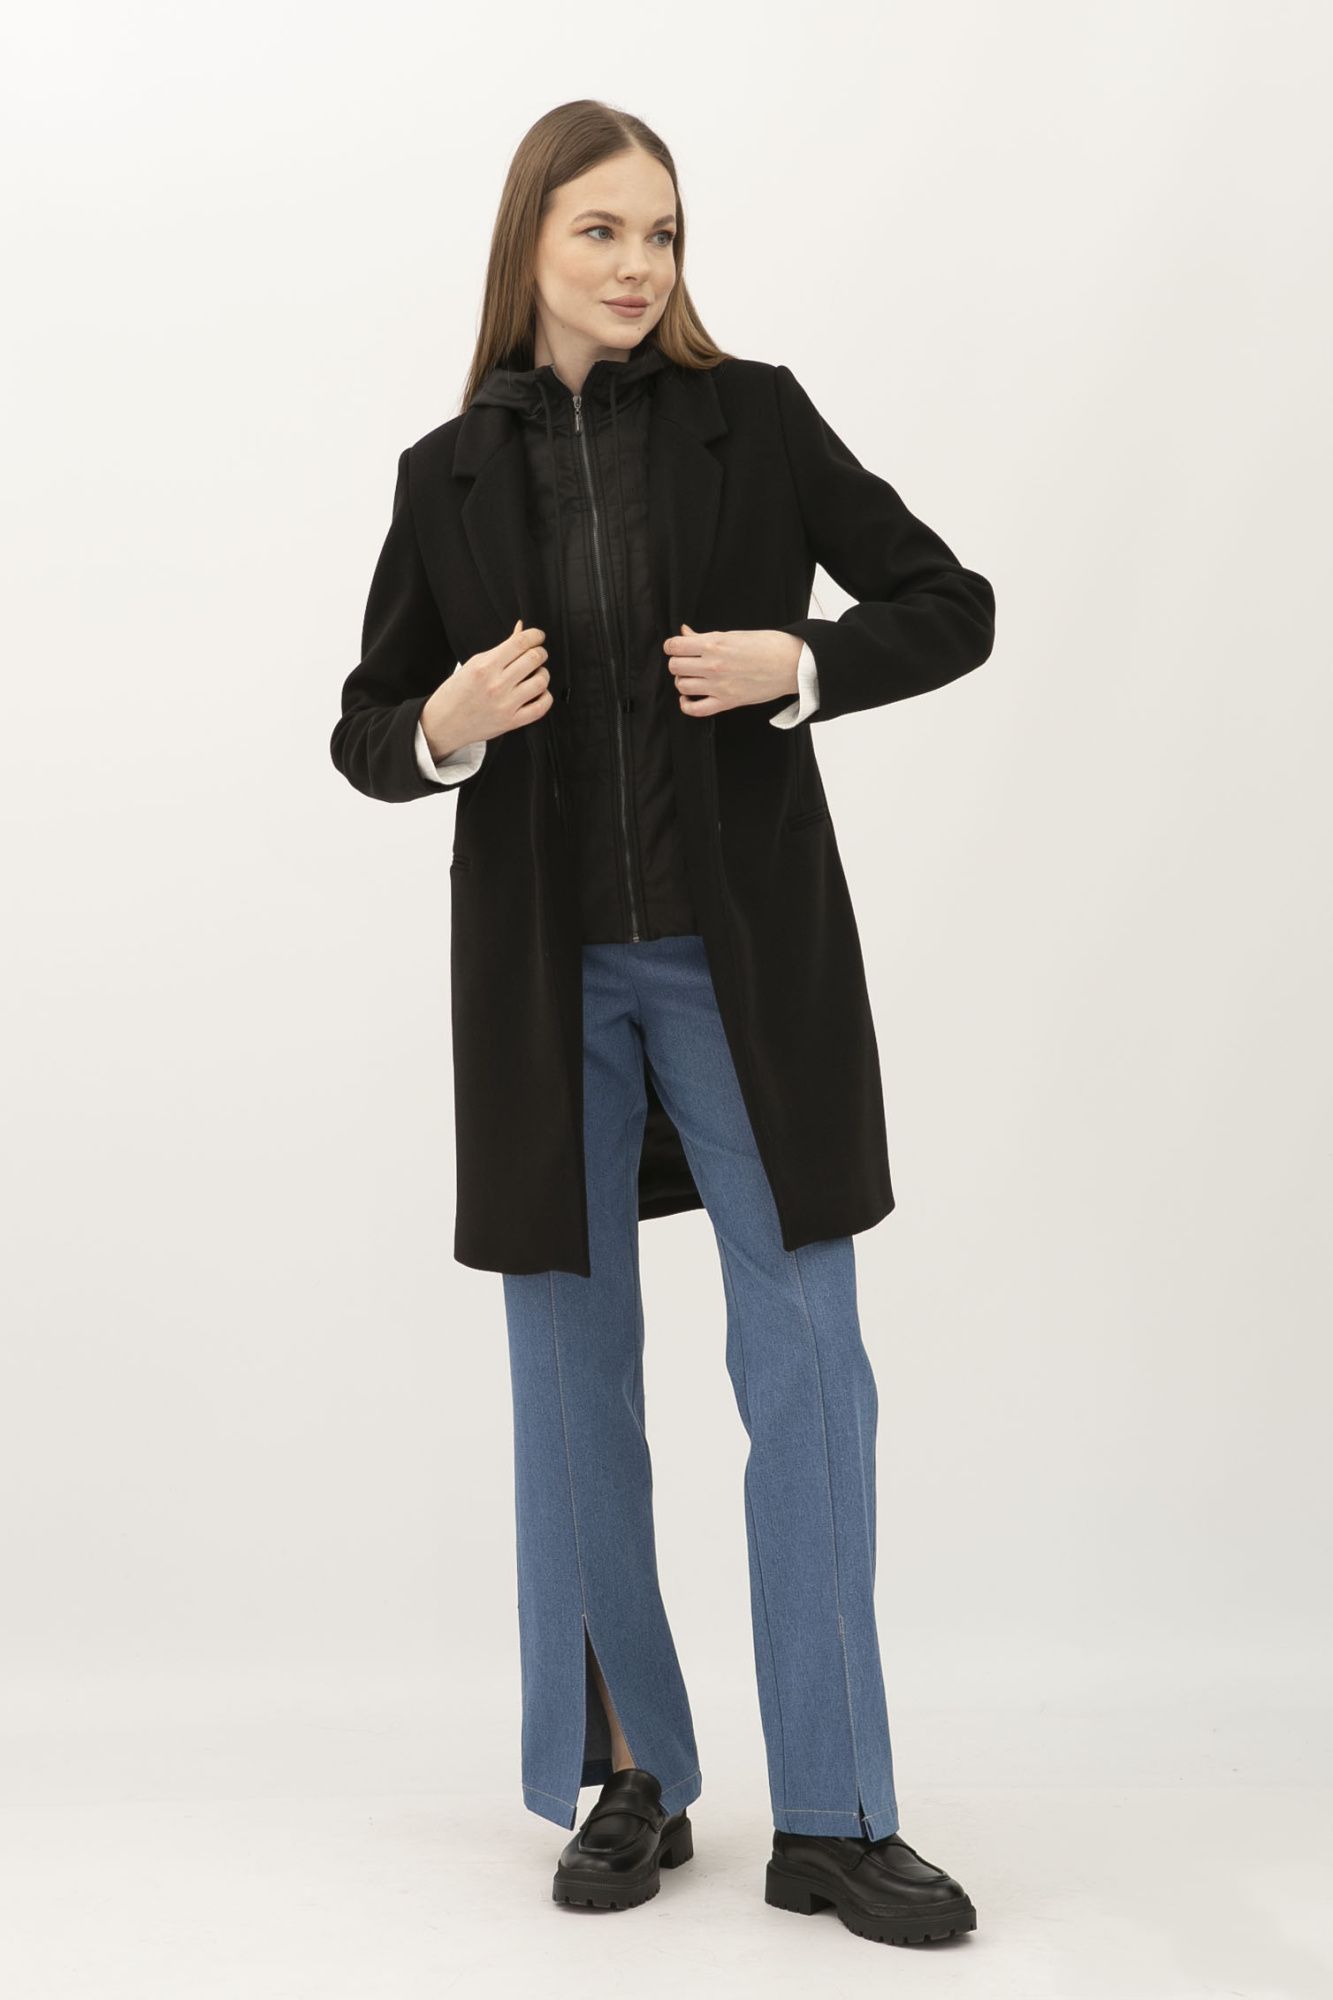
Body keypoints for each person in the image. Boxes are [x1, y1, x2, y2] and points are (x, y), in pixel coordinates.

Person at [330, 98, 995, 1949]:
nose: (638, 266)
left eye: (665, 233)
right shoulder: (446, 475)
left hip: (740, 967)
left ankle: (837, 1814)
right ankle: (633, 1776)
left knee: (809, 1373)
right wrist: (443, 722)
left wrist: (806, 663)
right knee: (572, 1393)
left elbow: (950, 602)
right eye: (602, 231)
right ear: (529, 244)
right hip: (543, 987)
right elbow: (366, 728)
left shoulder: (751, 419)